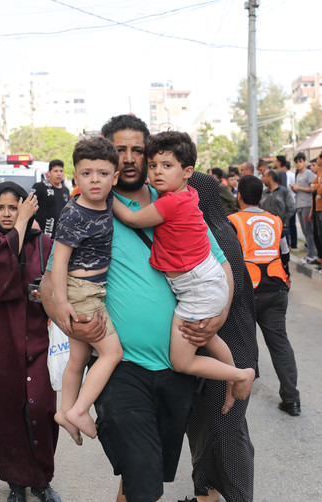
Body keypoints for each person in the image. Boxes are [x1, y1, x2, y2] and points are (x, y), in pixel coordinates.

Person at [41, 114, 234, 502]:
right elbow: (51, 280)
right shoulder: (91, 208)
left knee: (141, 480)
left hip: (173, 368)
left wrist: (219, 316)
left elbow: (221, 266)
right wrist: (65, 316)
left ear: (149, 157)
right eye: (120, 150)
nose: (129, 158)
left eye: (138, 150)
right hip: (121, 371)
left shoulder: (175, 205)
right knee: (144, 481)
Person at [111, 131, 255, 409]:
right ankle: (232, 383)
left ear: (188, 171)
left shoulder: (170, 202)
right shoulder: (188, 195)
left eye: (167, 166)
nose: (156, 173)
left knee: (181, 361)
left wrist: (103, 190)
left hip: (197, 288)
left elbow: (130, 218)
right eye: (152, 166)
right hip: (203, 283)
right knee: (208, 338)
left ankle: (240, 374)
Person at [0, 182, 61, 502]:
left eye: (14, 207)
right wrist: (20, 225)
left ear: (27, 206)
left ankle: (41, 480)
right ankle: (16, 483)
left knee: (43, 410)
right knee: (7, 412)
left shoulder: (44, 243)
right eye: (1, 208)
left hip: (39, 339)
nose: (7, 214)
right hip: (1, 342)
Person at [43, 137, 124, 445]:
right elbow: (60, 261)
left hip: (92, 289)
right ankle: (80, 410)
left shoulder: (108, 201)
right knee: (111, 352)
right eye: (87, 173)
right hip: (82, 292)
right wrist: (61, 303)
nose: (95, 180)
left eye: (103, 173)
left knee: (78, 360)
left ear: (114, 178)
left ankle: (64, 411)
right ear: (75, 177)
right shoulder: (74, 213)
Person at [185, 169, 258, 502]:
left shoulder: (221, 234)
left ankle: (240, 497)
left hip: (233, 347)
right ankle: (205, 494)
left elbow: (234, 288)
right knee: (201, 429)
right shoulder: (197, 230)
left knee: (227, 433)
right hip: (206, 350)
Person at [229, 175, 300, 416]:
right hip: (276, 288)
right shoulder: (275, 221)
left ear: (238, 196)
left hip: (247, 291)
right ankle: (291, 400)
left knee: (240, 345)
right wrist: (286, 276)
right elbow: (285, 253)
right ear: (262, 197)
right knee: (280, 344)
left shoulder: (233, 222)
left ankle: (236, 402)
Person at [33, 159, 71, 239]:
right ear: (49, 173)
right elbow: (28, 206)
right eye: (56, 171)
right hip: (42, 234)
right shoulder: (40, 187)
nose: (59, 174)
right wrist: (33, 221)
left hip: (60, 236)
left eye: (61, 171)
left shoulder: (66, 190)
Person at [291, 153, 317, 263]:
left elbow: (313, 189)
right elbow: (299, 189)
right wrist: (294, 189)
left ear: (305, 161)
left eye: (300, 161)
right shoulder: (298, 175)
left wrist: (299, 187)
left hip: (307, 205)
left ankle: (312, 254)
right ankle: (310, 253)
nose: (298, 164)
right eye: (296, 162)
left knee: (309, 231)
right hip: (299, 205)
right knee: (305, 231)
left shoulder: (309, 174)